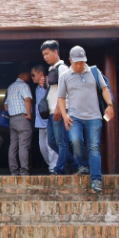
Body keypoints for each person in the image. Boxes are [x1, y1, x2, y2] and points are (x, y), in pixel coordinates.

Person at [56, 46, 114, 193]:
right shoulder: (65, 76)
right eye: (76, 62)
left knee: (94, 147)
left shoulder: (94, 71)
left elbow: (105, 89)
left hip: (94, 116)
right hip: (74, 116)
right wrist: (64, 115)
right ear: (70, 61)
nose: (80, 65)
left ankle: (96, 179)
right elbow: (61, 98)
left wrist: (110, 105)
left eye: (82, 62)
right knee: (75, 141)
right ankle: (84, 165)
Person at [42, 40, 77, 175]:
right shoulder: (52, 69)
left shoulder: (62, 68)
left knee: (61, 143)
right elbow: (54, 90)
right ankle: (76, 165)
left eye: (47, 53)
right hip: (52, 111)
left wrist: (58, 108)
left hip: (60, 110)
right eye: (43, 54)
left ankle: (59, 170)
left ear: (55, 52)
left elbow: (65, 90)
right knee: (52, 142)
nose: (45, 57)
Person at [5, 63, 33, 176]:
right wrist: (29, 114)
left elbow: (5, 105)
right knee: (23, 145)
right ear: (25, 75)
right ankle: (24, 171)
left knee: (13, 146)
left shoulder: (10, 87)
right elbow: (27, 99)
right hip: (22, 118)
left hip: (12, 120)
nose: (30, 78)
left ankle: (13, 171)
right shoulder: (24, 86)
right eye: (29, 75)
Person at [31, 65, 56, 172]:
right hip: (40, 123)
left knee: (51, 146)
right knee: (42, 147)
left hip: (50, 121)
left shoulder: (49, 83)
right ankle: (52, 166)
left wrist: (46, 83)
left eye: (33, 75)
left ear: (41, 74)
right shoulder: (37, 88)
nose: (32, 77)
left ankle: (53, 169)